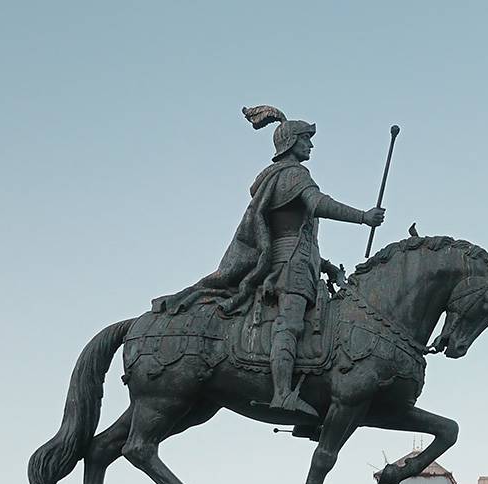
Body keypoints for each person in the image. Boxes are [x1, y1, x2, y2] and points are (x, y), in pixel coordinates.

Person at [161, 105, 383, 417]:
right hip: (289, 268)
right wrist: (363, 217)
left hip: (300, 261)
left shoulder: (282, 177)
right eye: (306, 138)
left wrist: (326, 265)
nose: (311, 145)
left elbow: (297, 234)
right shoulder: (293, 174)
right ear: (292, 142)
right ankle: (282, 393)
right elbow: (317, 204)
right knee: (290, 324)